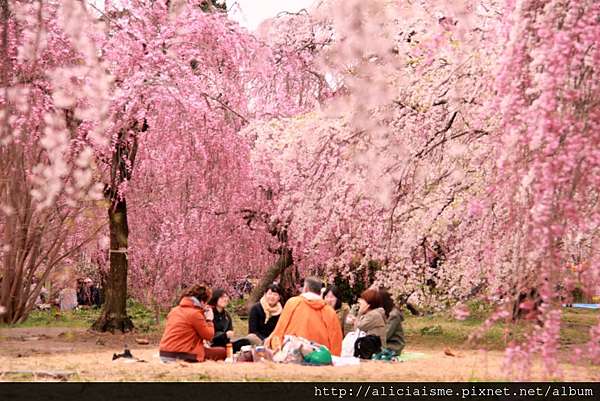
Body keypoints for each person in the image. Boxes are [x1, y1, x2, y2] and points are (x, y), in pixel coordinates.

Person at [266, 277, 343, 355]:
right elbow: (336, 340)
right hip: (319, 355)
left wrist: (276, 348)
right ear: (320, 292)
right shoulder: (329, 311)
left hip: (293, 352)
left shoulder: (293, 303)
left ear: (305, 288)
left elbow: (280, 330)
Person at [159, 284, 226, 362]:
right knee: (222, 351)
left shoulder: (174, 311)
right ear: (202, 302)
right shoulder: (195, 314)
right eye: (206, 303)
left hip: (164, 353)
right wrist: (209, 319)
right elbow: (209, 336)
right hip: (183, 354)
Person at [379, 289, 405, 354]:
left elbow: (386, 334)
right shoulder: (386, 312)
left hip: (393, 346)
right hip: (386, 343)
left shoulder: (394, 315)